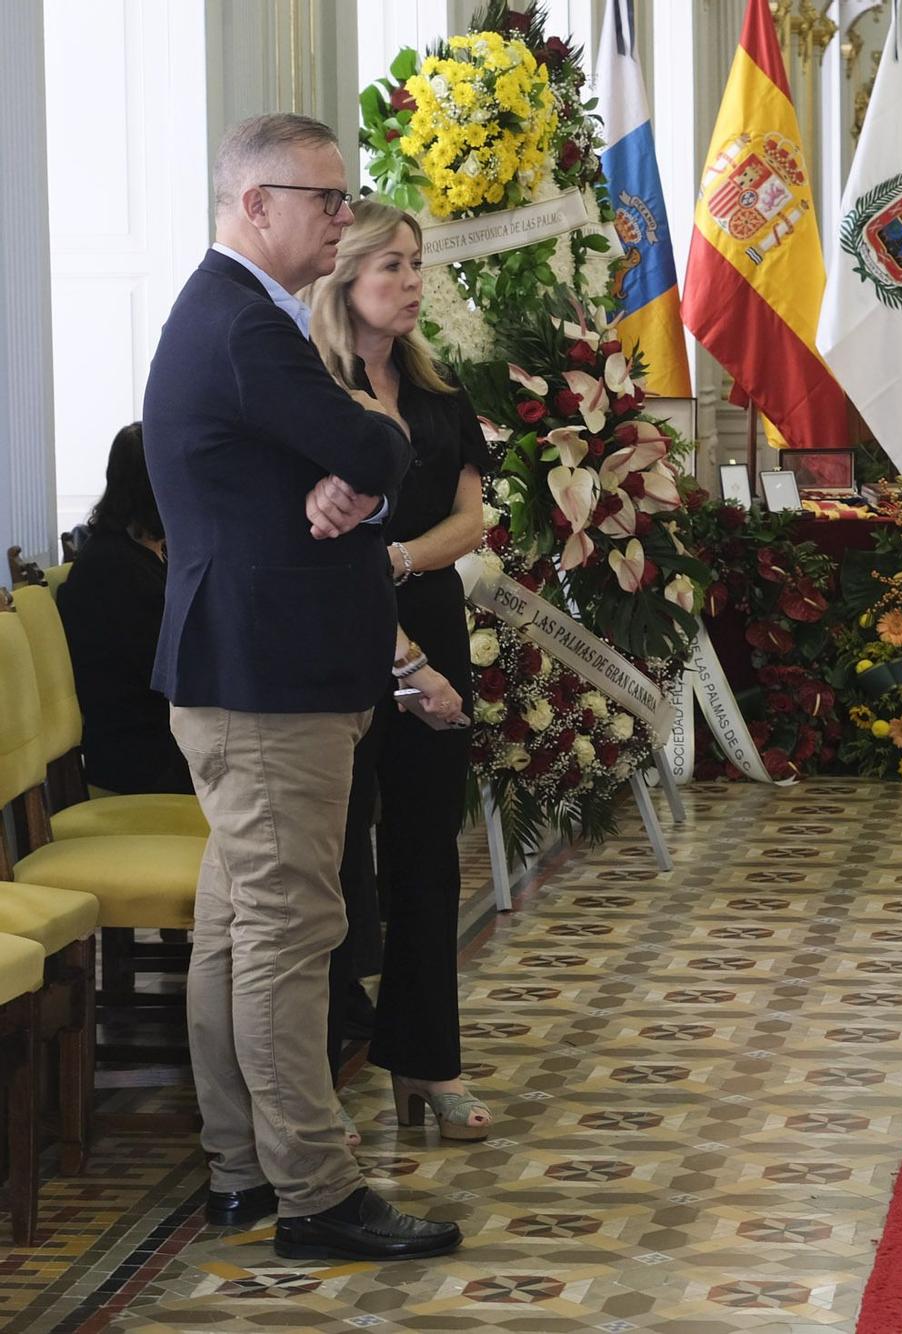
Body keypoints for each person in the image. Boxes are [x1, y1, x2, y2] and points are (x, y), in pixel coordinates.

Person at [144, 111, 463, 1262]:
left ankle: (240, 1167)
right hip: (267, 679)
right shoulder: (245, 325)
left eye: (345, 197)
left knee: (240, 931)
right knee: (290, 932)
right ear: (253, 205)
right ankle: (315, 1191)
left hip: (250, 666)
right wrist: (358, 464)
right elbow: (386, 451)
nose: (341, 215)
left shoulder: (245, 318)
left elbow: (368, 455)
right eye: (324, 199)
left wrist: (352, 467)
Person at [310, 200, 491, 1142]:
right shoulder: (311, 390)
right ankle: (327, 1070)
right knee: (333, 862)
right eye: (394, 267)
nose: (415, 283)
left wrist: (396, 561)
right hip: (339, 646)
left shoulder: (436, 395)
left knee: (425, 855)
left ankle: (429, 1063)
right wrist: (377, 579)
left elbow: (474, 521)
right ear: (344, 280)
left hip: (429, 630)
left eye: (417, 265)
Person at [56, 424, 192, 796]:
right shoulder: (116, 571)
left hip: (152, 741)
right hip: (140, 760)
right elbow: (172, 673)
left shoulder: (131, 554)